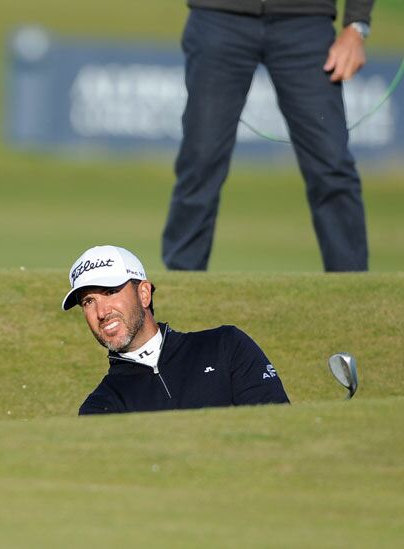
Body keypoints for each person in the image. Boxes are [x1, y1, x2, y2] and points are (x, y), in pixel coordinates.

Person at [162, 1, 375, 272]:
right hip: (218, 16)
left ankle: (353, 293)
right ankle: (183, 288)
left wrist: (356, 25)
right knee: (200, 161)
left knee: (331, 164)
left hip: (306, 22)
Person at [62, 245, 289, 414]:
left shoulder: (225, 346)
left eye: (110, 292)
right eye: (88, 302)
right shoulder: (101, 407)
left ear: (144, 294)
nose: (101, 312)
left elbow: (279, 429)